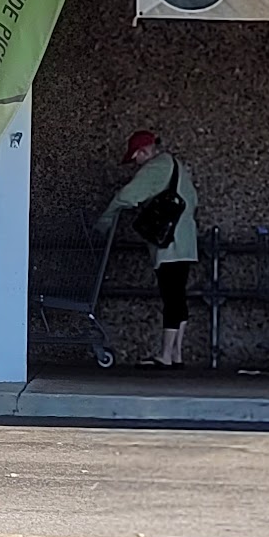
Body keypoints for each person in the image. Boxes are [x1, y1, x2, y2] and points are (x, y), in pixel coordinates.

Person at [96, 129, 199, 369]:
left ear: (143, 151)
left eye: (135, 157)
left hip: (169, 244)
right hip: (185, 242)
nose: (135, 163)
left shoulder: (156, 167)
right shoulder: (177, 166)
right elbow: (193, 200)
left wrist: (104, 221)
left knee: (170, 297)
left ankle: (165, 355)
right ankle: (176, 354)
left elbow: (127, 195)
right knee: (178, 297)